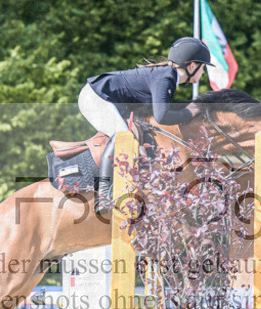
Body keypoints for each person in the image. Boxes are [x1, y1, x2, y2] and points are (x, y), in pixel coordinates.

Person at [78, 37, 215, 209]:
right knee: (124, 137)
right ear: (192, 66)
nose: (203, 73)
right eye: (203, 67)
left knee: (138, 134)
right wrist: (190, 112)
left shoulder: (167, 76)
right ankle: (104, 195)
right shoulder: (165, 78)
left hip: (109, 99)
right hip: (95, 98)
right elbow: (162, 117)